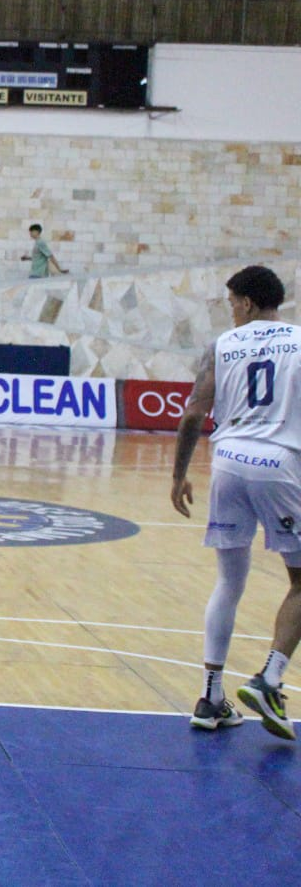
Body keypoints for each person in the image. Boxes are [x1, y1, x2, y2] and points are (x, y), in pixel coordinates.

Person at [172, 265, 301, 739]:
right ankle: (269, 678)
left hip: (227, 461)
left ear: (247, 302)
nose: (230, 311)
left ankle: (211, 697)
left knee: (229, 581)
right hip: (279, 463)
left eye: (230, 302)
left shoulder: (222, 347)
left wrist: (178, 474)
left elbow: (192, 415)